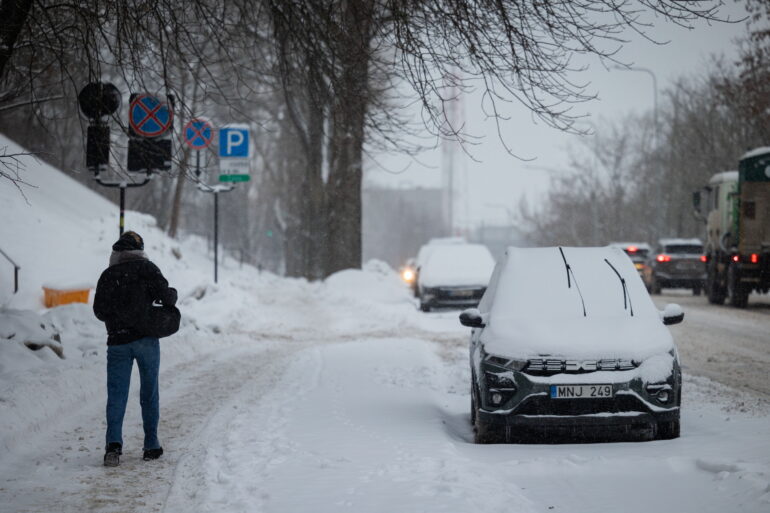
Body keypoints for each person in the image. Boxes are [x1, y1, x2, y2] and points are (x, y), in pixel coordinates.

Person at [93, 231, 177, 467]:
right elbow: (166, 296)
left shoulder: (108, 275)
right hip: (146, 339)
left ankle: (113, 447)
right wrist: (170, 296)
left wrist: (118, 315)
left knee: (117, 395)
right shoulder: (148, 268)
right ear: (140, 249)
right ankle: (151, 445)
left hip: (118, 342)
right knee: (149, 392)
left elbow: (99, 311)